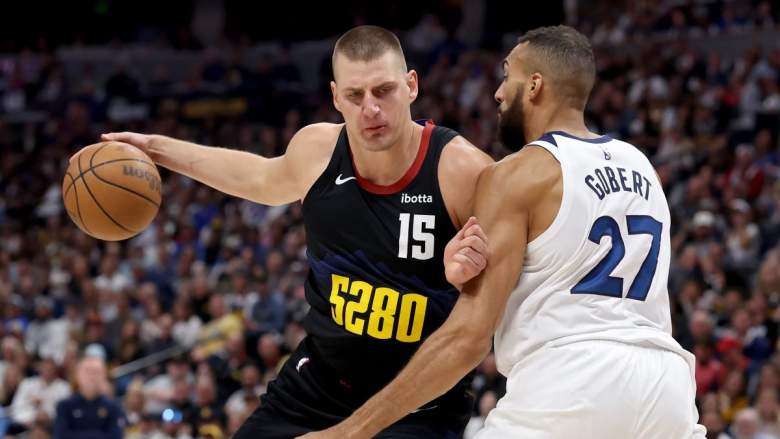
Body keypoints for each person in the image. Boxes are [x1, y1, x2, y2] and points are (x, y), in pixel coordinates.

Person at [74, 25, 492, 437]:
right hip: (320, 385)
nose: (371, 108)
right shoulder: (318, 150)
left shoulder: (461, 171)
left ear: (411, 86)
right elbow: (258, 178)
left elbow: (493, 309)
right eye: (354, 95)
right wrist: (157, 148)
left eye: (383, 90)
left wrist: (466, 282)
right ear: (335, 97)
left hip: (419, 403)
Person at [304, 25, 706, 439]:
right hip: (667, 386)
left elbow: (468, 337)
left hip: (573, 384)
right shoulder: (640, 165)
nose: (497, 92)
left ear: (533, 86)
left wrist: (347, 432)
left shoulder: (516, 175)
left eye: (507, 75)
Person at [53, 355, 124, 439]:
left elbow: (115, 436)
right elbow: (61, 436)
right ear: (77, 375)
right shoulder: (64, 406)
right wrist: (100, 434)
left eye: (97, 372)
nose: (92, 376)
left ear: (104, 376)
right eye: (87, 371)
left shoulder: (113, 407)